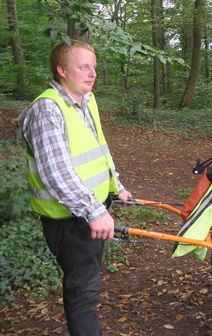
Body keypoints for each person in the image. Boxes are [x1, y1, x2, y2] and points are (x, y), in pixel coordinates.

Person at [20, 40, 132, 336]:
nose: (92, 73)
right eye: (84, 67)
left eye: (94, 67)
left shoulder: (86, 100)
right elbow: (56, 173)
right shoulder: (47, 109)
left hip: (89, 215)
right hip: (69, 221)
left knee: (87, 287)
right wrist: (94, 211)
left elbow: (98, 149)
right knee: (83, 294)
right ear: (61, 70)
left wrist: (115, 186)